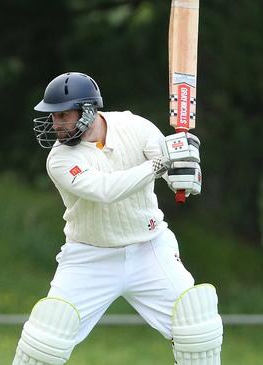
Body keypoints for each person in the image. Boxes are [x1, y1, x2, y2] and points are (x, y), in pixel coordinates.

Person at [11, 72, 222, 365]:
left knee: (196, 326)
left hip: (150, 247)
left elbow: (169, 162)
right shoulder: (60, 159)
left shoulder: (134, 126)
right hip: (89, 255)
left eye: (63, 115)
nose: (56, 124)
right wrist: (162, 163)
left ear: (87, 110)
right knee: (45, 340)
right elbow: (106, 190)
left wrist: (183, 170)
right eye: (54, 117)